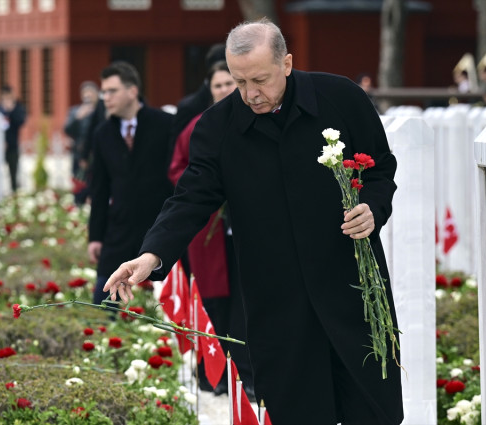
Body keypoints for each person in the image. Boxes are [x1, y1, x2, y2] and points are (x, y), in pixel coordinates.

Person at [104, 18, 402, 425]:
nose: (250, 94)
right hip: (276, 302)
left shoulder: (342, 98)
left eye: (259, 80)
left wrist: (373, 206)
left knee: (373, 411)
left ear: (287, 63)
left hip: (351, 287)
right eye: (239, 81)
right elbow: (191, 197)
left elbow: (381, 168)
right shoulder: (216, 126)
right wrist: (152, 254)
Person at [168, 60, 254, 398]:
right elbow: (179, 170)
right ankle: (212, 374)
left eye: (229, 84)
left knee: (245, 305)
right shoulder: (196, 127)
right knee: (212, 304)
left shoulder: (253, 121)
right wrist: (214, 191)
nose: (223, 90)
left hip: (246, 234)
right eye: (217, 85)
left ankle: (246, 373)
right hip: (210, 233)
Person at [87, 61, 174, 305]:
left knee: (163, 306)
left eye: (112, 91)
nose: (105, 97)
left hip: (159, 226)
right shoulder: (102, 133)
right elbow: (100, 189)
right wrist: (95, 237)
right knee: (104, 303)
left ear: (132, 91)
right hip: (119, 229)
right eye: (103, 92)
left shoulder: (165, 124)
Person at [64, 81, 100, 180]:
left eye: (91, 92)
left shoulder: (101, 111)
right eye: (85, 93)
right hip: (79, 152)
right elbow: (67, 130)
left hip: (97, 152)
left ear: (97, 94)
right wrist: (77, 117)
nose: (88, 95)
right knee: (79, 181)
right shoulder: (75, 111)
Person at [0, 85, 26, 193]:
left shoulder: (17, 108)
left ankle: (14, 193)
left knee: (13, 173)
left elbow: (21, 121)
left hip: (12, 145)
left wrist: (11, 111)